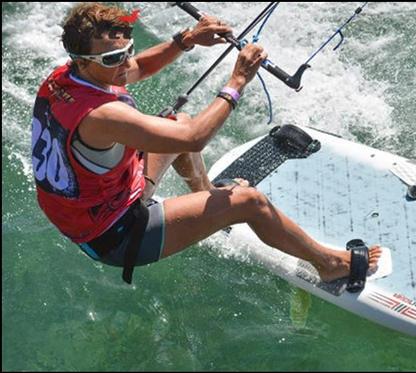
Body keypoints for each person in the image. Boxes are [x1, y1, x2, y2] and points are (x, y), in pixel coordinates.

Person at [30, 3, 381, 285]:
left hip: (96, 206)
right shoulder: (103, 116)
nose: (124, 62)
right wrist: (238, 81)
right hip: (115, 236)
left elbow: (136, 68)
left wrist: (187, 40)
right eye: (112, 59)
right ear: (83, 60)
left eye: (126, 50)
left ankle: (209, 198)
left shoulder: (67, 77)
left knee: (176, 124)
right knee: (249, 200)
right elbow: (195, 138)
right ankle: (329, 264)